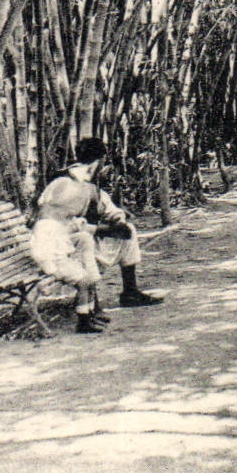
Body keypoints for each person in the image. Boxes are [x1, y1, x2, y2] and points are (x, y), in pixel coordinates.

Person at [28, 137, 163, 334]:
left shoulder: (74, 183)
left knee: (125, 230)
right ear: (97, 162)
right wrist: (104, 229)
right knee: (90, 244)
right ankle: (88, 310)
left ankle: (128, 292)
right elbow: (62, 225)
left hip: (65, 241)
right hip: (59, 245)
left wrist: (119, 219)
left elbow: (105, 208)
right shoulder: (76, 185)